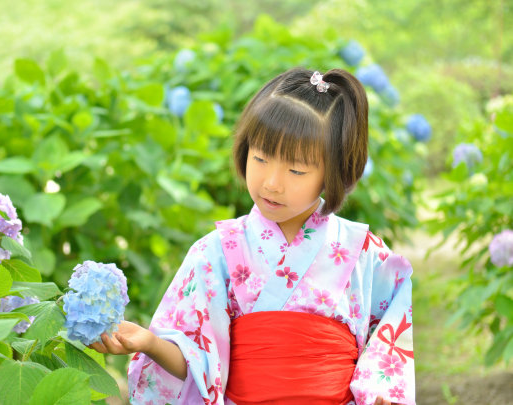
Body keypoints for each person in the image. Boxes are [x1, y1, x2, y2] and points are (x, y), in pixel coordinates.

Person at [89, 67, 415, 405]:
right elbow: (198, 363)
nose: (271, 182)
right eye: (260, 158)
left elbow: (386, 360)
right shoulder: (215, 252)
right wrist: (150, 343)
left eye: (296, 169)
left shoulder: (365, 253)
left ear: (335, 172)